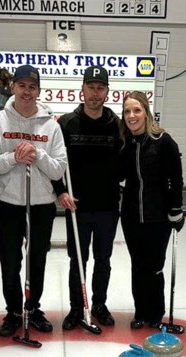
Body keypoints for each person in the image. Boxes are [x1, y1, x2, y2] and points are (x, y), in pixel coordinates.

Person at [0, 65, 68, 337]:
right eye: (22, 86)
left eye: (32, 87)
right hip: (8, 203)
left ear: (38, 91)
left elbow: (58, 169)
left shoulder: (51, 126)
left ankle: (32, 308)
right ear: (13, 87)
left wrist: (38, 154)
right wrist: (14, 158)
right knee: (9, 260)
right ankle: (14, 311)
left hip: (41, 204)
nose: (27, 91)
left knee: (37, 260)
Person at [51, 65, 123, 331]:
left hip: (107, 207)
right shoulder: (66, 123)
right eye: (90, 87)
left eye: (100, 88)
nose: (95, 93)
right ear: (82, 90)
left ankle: (99, 305)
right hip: (77, 208)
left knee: (103, 259)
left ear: (107, 92)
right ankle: (76, 307)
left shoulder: (117, 125)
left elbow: (126, 163)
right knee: (77, 260)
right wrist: (61, 190)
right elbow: (56, 162)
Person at [118, 91, 184, 331]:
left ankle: (156, 312)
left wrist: (176, 208)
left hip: (158, 216)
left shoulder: (163, 141)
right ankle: (140, 311)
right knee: (138, 264)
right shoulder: (125, 143)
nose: (132, 115)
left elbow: (176, 177)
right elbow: (119, 174)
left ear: (146, 112)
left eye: (136, 110)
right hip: (132, 215)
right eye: (127, 111)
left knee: (155, 265)